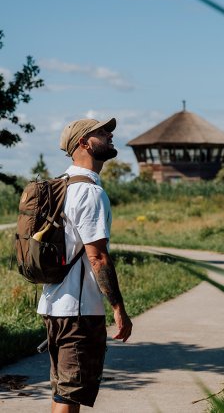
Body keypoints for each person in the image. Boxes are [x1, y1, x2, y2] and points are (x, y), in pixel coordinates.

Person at [37, 117, 133, 412]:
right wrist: (119, 308)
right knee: (68, 395)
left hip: (54, 304)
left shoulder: (61, 186)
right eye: (102, 132)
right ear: (83, 142)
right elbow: (98, 256)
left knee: (66, 392)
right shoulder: (89, 192)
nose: (110, 135)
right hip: (79, 310)